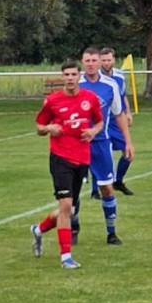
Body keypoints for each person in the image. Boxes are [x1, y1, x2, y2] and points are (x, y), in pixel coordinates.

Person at [30, 60, 103, 269]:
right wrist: (49, 128)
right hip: (60, 157)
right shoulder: (53, 101)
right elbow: (39, 127)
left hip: (82, 158)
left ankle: (39, 229)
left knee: (69, 210)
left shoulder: (90, 99)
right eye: (66, 75)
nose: (70, 78)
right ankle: (65, 257)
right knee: (65, 206)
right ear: (62, 77)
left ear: (79, 76)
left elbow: (99, 122)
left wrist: (93, 131)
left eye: (73, 74)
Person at [78, 47, 133, 246]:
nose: (91, 63)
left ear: (100, 62)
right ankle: (74, 228)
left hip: (101, 144)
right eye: (88, 60)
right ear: (83, 62)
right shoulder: (77, 84)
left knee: (107, 188)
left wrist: (128, 142)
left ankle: (111, 233)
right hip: (77, 144)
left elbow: (118, 114)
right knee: (73, 190)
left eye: (94, 60)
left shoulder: (110, 85)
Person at [95, 47, 134, 196]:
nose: (105, 63)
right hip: (102, 120)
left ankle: (118, 181)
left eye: (108, 60)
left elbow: (122, 95)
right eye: (103, 60)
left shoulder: (119, 75)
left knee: (127, 152)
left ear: (114, 60)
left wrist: (128, 112)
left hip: (117, 119)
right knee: (100, 154)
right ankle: (95, 190)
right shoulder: (95, 77)